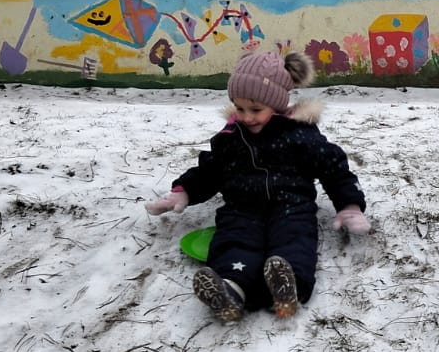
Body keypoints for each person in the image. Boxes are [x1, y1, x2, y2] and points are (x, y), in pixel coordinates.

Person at [144, 49, 369, 323]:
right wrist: (184, 191)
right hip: (242, 208)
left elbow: (333, 167)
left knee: (293, 239)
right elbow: (210, 170)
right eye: (240, 109)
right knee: (234, 240)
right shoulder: (231, 138)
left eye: (256, 110)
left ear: (277, 105)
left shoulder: (300, 135)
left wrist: (349, 204)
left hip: (291, 205)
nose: (246, 117)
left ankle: (288, 285)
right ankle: (230, 290)